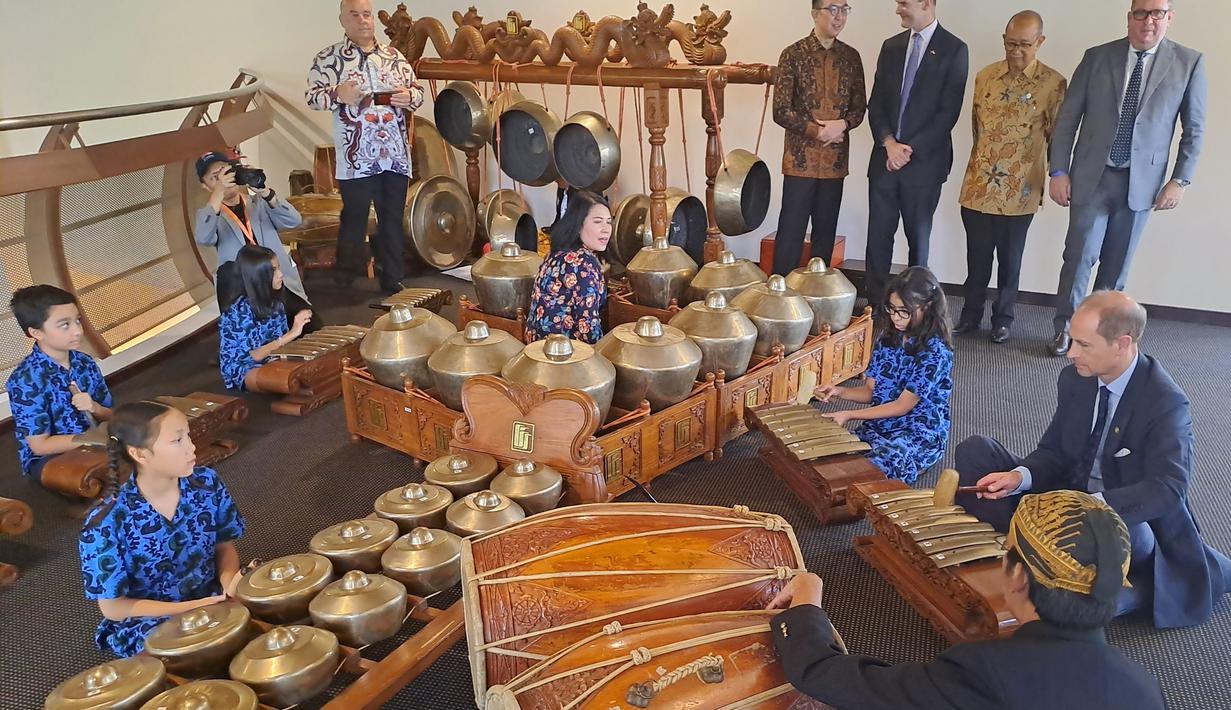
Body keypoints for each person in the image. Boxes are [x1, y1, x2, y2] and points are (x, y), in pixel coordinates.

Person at [957, 291, 1231, 628]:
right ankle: (1051, 556)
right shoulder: (1075, 378)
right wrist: (1019, 477)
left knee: (1124, 537)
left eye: (1083, 345)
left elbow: (1167, 489)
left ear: (1122, 343)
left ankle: (1138, 587)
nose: (1071, 353)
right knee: (974, 451)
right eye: (1072, 340)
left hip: (1121, 517)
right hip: (1068, 493)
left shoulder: (1166, 403)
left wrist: (1088, 509)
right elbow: (1054, 451)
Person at [767, 489, 1165, 709]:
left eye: (1004, 551)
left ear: (1018, 577)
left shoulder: (985, 674)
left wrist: (806, 602)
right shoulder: (1144, 689)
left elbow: (827, 677)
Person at [1046, 0, 1206, 356]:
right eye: (1140, 13)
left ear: (1169, 18)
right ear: (1129, 17)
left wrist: (1180, 180)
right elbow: (1068, 117)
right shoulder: (1097, 57)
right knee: (1078, 257)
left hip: (1142, 184)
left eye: (1156, 14)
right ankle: (1067, 331)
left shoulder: (1188, 63)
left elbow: (1194, 130)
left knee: (1116, 266)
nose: (1148, 21)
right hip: (1092, 176)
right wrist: (1058, 170)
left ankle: (1100, 337)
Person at [79, 401, 246, 657]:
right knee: (189, 657)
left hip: (211, 595)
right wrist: (191, 608)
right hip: (153, 618)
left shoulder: (206, 482)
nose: (191, 447)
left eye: (187, 436)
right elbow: (113, 608)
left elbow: (224, 546)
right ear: (140, 454)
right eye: (177, 441)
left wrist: (229, 584)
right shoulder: (105, 522)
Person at [954, 11, 1067, 344]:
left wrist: (1056, 175)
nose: (1016, 51)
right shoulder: (985, 77)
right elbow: (977, 128)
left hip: (1020, 191)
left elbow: (1057, 135)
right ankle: (969, 316)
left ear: (1040, 42)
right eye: (1010, 43)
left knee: (1010, 259)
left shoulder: (1053, 84)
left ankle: (1002, 320)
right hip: (978, 186)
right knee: (976, 258)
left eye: (1024, 45)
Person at [307, 0, 425, 294]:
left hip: (395, 155)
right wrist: (337, 93)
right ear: (342, 20)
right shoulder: (329, 59)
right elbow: (311, 97)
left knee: (392, 217)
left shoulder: (395, 57)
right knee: (355, 216)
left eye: (366, 14)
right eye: (354, 15)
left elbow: (419, 93)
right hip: (356, 154)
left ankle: (392, 277)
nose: (362, 21)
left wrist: (408, 96)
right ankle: (346, 276)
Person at [863, 0, 968, 305]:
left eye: (903, 3)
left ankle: (914, 309)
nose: (898, 9)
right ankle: (876, 308)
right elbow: (877, 102)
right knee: (878, 240)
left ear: (925, 3)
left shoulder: (954, 49)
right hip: (885, 160)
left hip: (924, 165)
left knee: (917, 242)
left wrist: (908, 150)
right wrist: (888, 143)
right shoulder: (891, 46)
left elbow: (948, 113)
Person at [814, 266, 952, 483]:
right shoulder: (888, 340)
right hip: (882, 424)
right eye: (891, 309)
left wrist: (849, 415)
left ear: (927, 306)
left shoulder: (935, 352)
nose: (896, 317)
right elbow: (871, 391)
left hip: (917, 431)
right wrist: (839, 391)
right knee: (830, 455)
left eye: (904, 311)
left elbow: (901, 406)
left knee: (875, 467)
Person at [770, 0, 866, 275]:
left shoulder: (851, 57)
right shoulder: (793, 54)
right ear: (815, 13)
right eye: (833, 9)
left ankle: (820, 298)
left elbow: (859, 107)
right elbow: (781, 110)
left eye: (845, 9)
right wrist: (818, 130)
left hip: (835, 163)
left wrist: (843, 124)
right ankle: (779, 299)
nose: (839, 17)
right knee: (791, 233)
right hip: (800, 161)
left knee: (825, 235)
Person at [193, 151, 317, 331]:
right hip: (246, 294)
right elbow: (204, 238)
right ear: (205, 186)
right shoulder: (210, 215)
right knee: (266, 348)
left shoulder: (258, 202)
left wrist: (265, 191)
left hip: (281, 284)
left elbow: (294, 221)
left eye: (226, 172)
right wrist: (219, 193)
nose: (224, 180)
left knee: (312, 332)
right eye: (215, 178)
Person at [6, 285, 113, 481]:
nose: (77, 331)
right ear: (36, 332)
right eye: (65, 324)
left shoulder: (85, 362)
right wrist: (94, 439)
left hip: (96, 438)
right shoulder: (24, 380)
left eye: (77, 321)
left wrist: (95, 407)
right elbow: (40, 446)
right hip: (49, 457)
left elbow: (110, 415)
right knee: (110, 475)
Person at [218, 245, 313, 391]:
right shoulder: (239, 311)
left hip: (271, 358)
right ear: (259, 277)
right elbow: (255, 355)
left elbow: (280, 342)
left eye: (278, 268)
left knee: (316, 368)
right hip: (243, 368)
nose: (281, 274)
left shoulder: (276, 303)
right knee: (288, 382)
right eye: (274, 271)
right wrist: (293, 332)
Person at [525, 191, 611, 345]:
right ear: (578, 226)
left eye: (609, 222)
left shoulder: (555, 254)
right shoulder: (583, 264)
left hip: (536, 348)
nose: (606, 229)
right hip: (564, 355)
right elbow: (588, 328)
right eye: (598, 222)